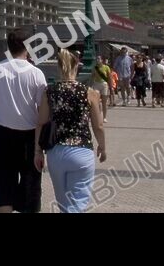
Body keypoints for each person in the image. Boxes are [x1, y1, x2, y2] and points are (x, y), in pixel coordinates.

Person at [0, 29, 47, 213]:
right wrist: (41, 146)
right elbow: (42, 111)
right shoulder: (36, 74)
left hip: (2, 134)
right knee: (30, 184)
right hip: (29, 135)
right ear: (28, 47)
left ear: (8, 47)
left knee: (2, 183)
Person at [35, 49, 106, 212]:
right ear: (78, 66)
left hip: (56, 152)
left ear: (58, 67)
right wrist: (102, 146)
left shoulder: (50, 92)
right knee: (76, 204)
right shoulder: (89, 93)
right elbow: (98, 126)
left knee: (64, 203)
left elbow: (41, 123)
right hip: (82, 151)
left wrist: (38, 151)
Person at [90, 57, 110, 122]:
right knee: (97, 101)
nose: (98, 60)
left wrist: (111, 86)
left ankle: (104, 117)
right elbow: (92, 76)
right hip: (96, 84)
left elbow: (109, 77)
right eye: (97, 59)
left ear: (102, 60)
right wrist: (91, 85)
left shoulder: (106, 67)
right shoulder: (95, 67)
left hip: (104, 84)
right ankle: (99, 115)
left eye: (99, 59)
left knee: (104, 102)